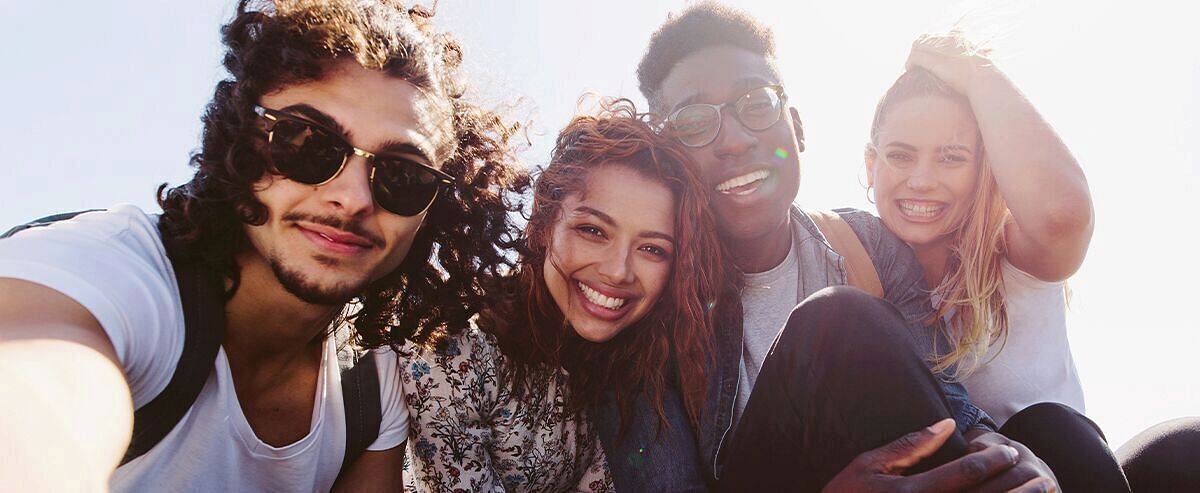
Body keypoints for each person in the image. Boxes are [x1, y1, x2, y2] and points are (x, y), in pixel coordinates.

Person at [0, 1, 528, 491]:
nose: (351, 197)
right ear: (241, 143)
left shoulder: (371, 387)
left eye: (402, 176)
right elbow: (33, 384)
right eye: (306, 143)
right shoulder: (110, 272)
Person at [595, 4, 1058, 492]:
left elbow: (941, 400)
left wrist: (993, 446)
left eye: (755, 104)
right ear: (667, 157)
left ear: (796, 128)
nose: (732, 140)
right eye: (691, 123)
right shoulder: (646, 302)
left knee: (1057, 435)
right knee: (836, 322)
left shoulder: (868, 243)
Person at [397, 101, 731, 492]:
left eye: (653, 249)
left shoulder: (629, 368)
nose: (618, 271)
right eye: (593, 230)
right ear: (545, 220)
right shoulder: (450, 340)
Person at [863, 33, 1129, 492]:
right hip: (945, 481)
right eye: (901, 156)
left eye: (952, 158)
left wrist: (975, 72)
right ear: (871, 167)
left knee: (1055, 428)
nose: (922, 180)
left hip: (1066, 471)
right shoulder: (857, 262)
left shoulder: (1014, 257)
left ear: (983, 167)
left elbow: (1062, 216)